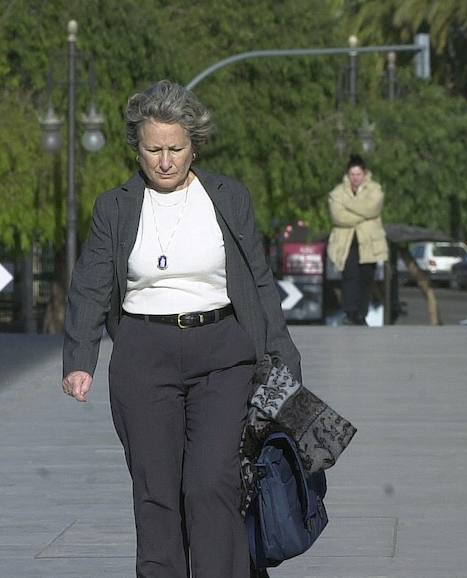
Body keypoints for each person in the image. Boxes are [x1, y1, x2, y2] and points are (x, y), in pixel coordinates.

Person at [62, 79, 301, 578]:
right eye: (153, 149)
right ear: (138, 147)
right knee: (156, 488)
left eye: (176, 148)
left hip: (223, 353)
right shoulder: (115, 207)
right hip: (144, 355)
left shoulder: (228, 197)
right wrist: (80, 360)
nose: (165, 160)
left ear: (195, 144)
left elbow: (258, 281)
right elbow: (90, 286)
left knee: (211, 482)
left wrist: (282, 356)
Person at [327, 154, 386, 326]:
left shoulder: (375, 189)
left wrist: (350, 206)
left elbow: (373, 208)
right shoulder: (338, 192)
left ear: (364, 174)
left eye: (358, 174)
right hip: (346, 244)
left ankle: (362, 313)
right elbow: (338, 216)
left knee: (366, 278)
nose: (355, 178)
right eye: (352, 175)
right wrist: (363, 215)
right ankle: (350, 312)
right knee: (349, 277)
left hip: (369, 243)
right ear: (347, 174)